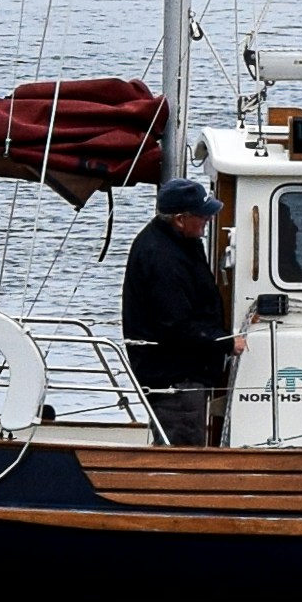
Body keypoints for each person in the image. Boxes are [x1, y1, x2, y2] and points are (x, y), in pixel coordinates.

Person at [121, 178, 234, 445]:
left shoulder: (180, 242)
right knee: (181, 451)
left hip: (178, 373)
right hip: (175, 376)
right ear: (180, 219)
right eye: (202, 215)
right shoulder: (162, 258)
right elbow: (175, 325)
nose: (207, 219)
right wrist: (225, 343)